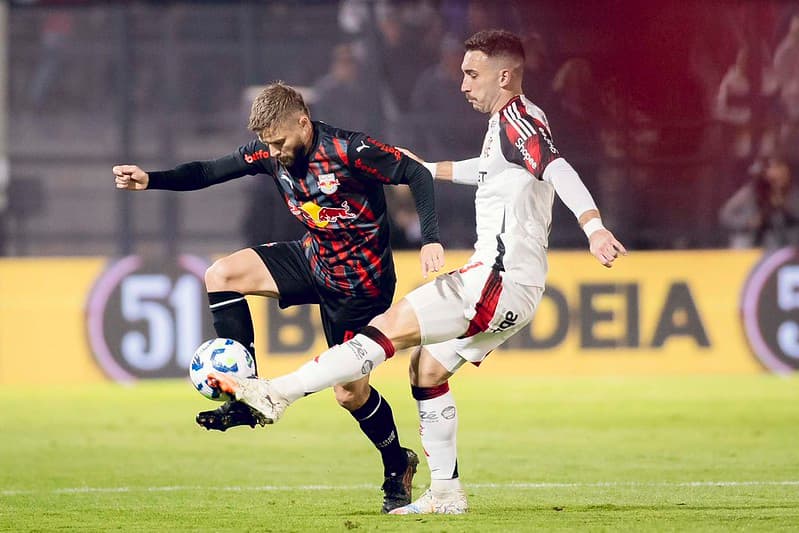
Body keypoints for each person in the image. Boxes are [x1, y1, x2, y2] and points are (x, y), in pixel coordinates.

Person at [207, 30, 626, 515]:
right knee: (426, 371)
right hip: (518, 290)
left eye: (473, 73)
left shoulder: (515, 121)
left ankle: (275, 394)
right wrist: (425, 166)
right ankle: (446, 492)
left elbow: (557, 168)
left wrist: (593, 226)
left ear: (504, 75)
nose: (463, 83)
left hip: (494, 278)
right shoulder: (516, 122)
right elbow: (491, 170)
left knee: (379, 333)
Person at [112, 82, 446, 513]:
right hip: (314, 260)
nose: (273, 151)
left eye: (279, 141)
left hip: (360, 287)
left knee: (349, 394)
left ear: (303, 123)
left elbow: (415, 173)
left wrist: (430, 239)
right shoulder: (269, 152)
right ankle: (246, 392)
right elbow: (209, 171)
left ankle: (396, 462)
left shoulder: (350, 151)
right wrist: (150, 180)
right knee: (223, 274)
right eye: (267, 143)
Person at [719, 153, 799, 249]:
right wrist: (749, 222)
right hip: (752, 247)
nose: (779, 176)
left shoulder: (793, 194)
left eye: (782, 172)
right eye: (774, 171)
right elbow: (726, 215)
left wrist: (784, 206)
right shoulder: (751, 193)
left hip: (784, 248)